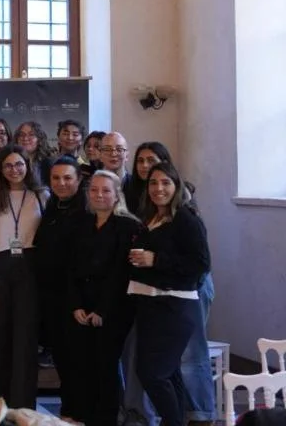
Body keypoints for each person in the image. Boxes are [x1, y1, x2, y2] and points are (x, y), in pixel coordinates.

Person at [128, 162, 211, 426]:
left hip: (174, 306)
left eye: (165, 182)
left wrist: (156, 259)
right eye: (153, 183)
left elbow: (200, 264)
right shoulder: (150, 217)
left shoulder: (186, 219)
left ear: (176, 186)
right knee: (168, 372)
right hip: (150, 304)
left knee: (151, 373)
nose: (158, 188)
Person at [62, 171, 141, 426]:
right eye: (94, 190)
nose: (99, 195)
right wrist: (75, 305)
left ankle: (106, 419)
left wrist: (103, 310)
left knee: (106, 365)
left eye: (106, 190)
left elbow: (121, 273)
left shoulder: (128, 227)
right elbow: (70, 267)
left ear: (117, 195)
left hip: (114, 308)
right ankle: (85, 416)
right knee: (83, 364)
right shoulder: (80, 224)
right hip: (82, 306)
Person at [0, 146, 46, 409]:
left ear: (27, 166)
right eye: (8, 165)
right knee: (0, 338)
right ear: (0, 169)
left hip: (30, 269)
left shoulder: (41, 196)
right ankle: (2, 402)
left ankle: (24, 404)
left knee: (26, 339)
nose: (14, 170)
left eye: (19, 164)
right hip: (0, 270)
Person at [33, 156, 85, 402]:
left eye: (67, 178)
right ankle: (70, 408)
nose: (61, 183)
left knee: (79, 359)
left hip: (77, 298)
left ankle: (82, 410)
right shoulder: (53, 205)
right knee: (62, 357)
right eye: (56, 178)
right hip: (53, 296)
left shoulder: (87, 210)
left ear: (79, 179)